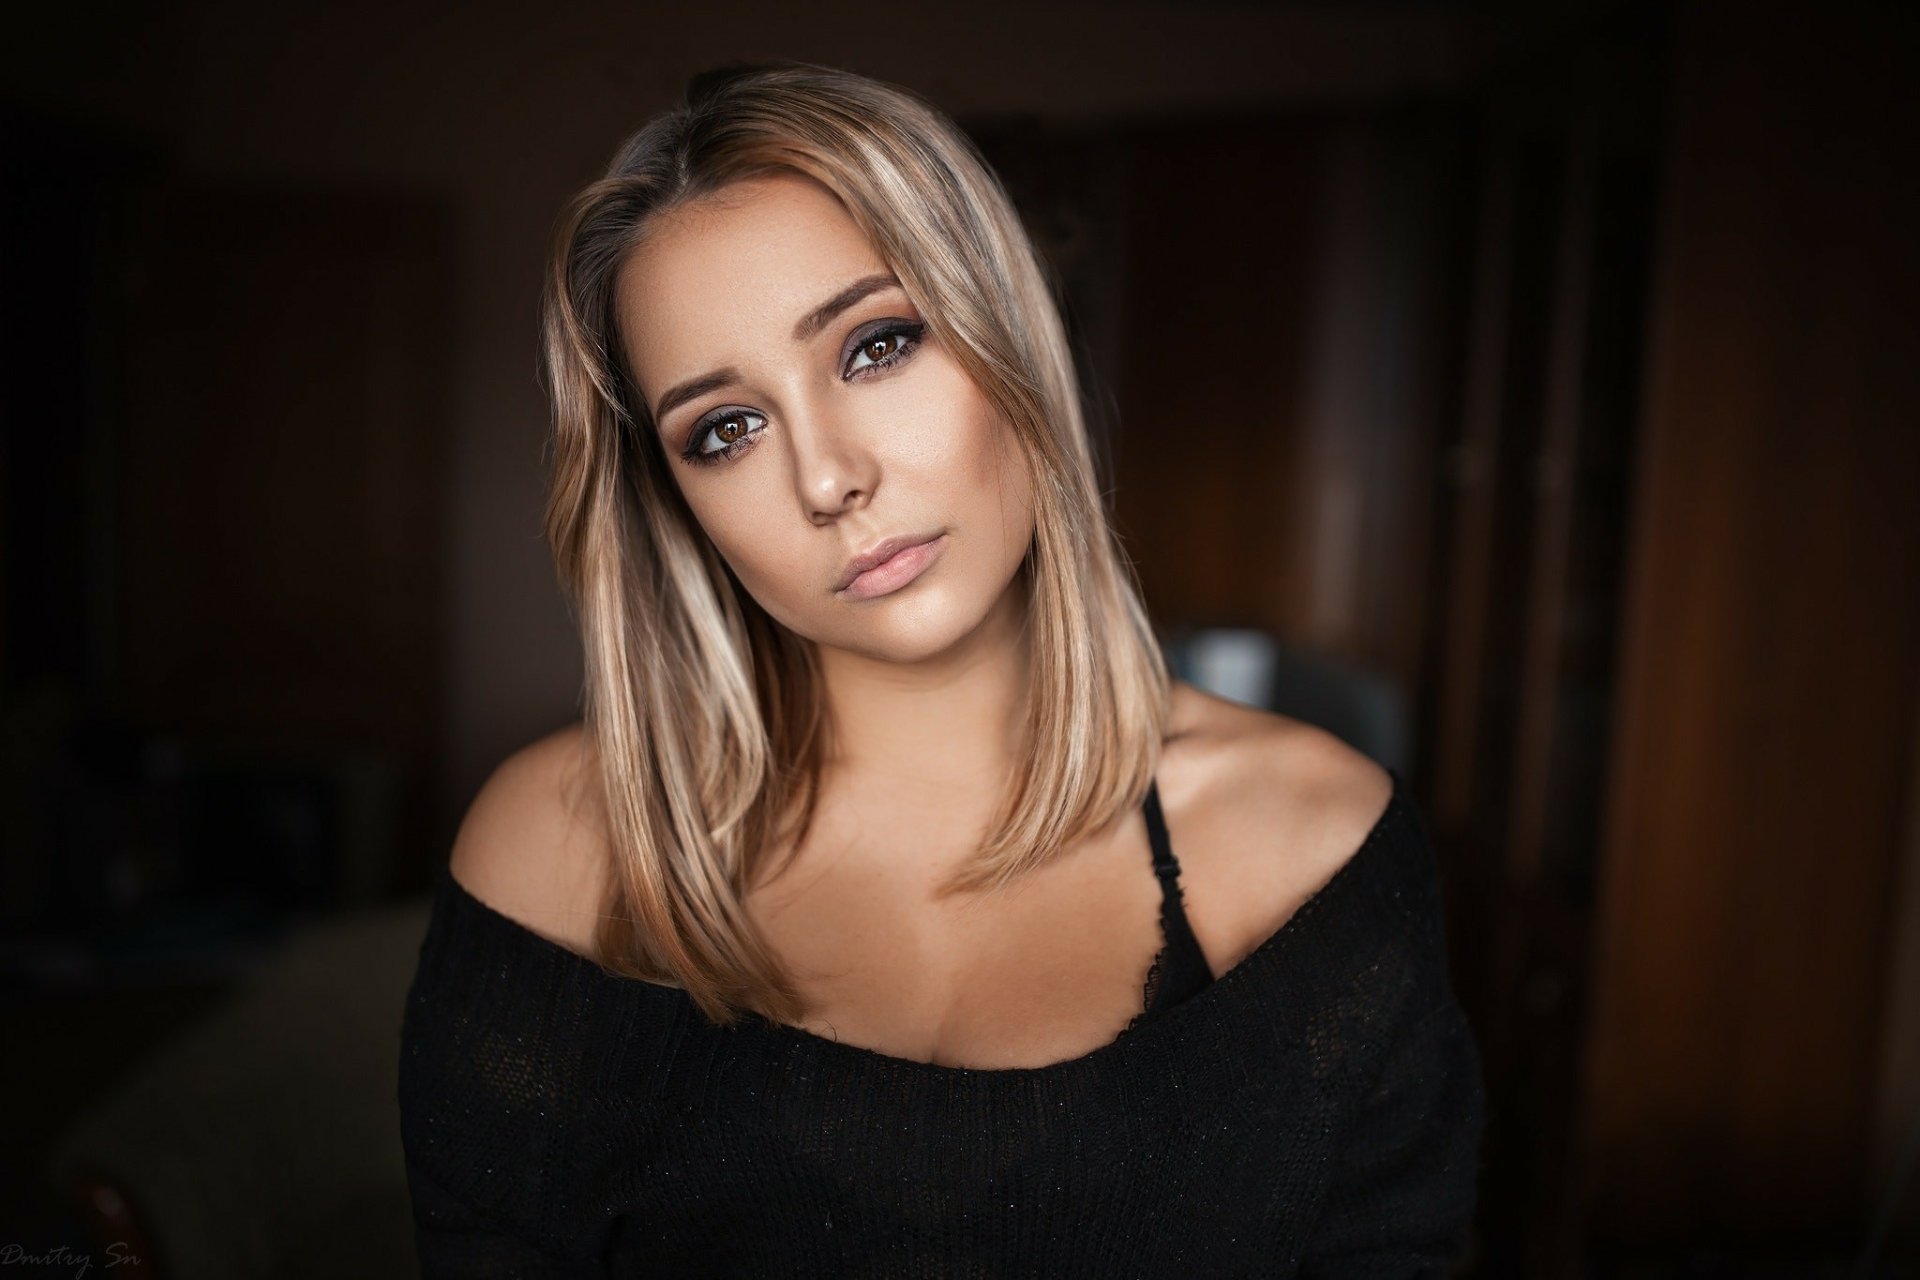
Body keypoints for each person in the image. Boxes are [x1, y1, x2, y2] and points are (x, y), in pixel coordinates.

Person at [398, 61, 1485, 1277]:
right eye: (726, 428)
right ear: (675, 507)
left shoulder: (1313, 849)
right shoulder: (555, 856)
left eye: (876, 345)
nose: (826, 478)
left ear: (1006, 333)